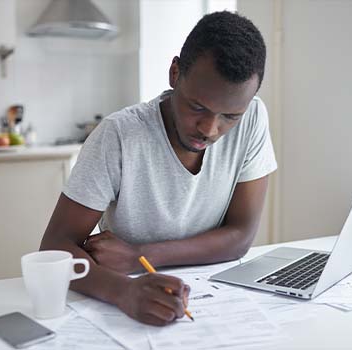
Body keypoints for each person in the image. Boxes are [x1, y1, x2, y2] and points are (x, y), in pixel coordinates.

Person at [40, 10, 277, 327]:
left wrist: (141, 254)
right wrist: (122, 291)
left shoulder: (253, 118)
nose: (209, 128)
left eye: (230, 116)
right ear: (175, 72)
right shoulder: (119, 136)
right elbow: (56, 246)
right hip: (133, 304)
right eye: (197, 107)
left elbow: (240, 236)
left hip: (216, 300)